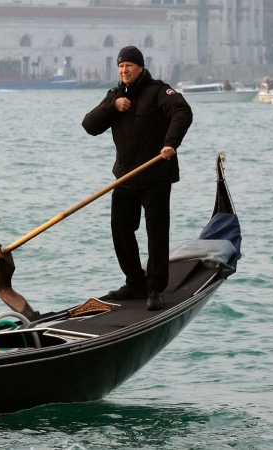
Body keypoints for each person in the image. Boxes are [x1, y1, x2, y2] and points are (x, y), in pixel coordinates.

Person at [82, 45, 193, 311]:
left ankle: (155, 288)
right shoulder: (115, 96)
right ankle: (135, 282)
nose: (124, 70)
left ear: (140, 67)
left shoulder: (158, 91)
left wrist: (171, 142)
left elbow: (182, 112)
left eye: (129, 66)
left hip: (155, 175)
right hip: (125, 178)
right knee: (120, 229)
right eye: (121, 66)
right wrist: (112, 106)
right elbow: (89, 126)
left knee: (156, 233)